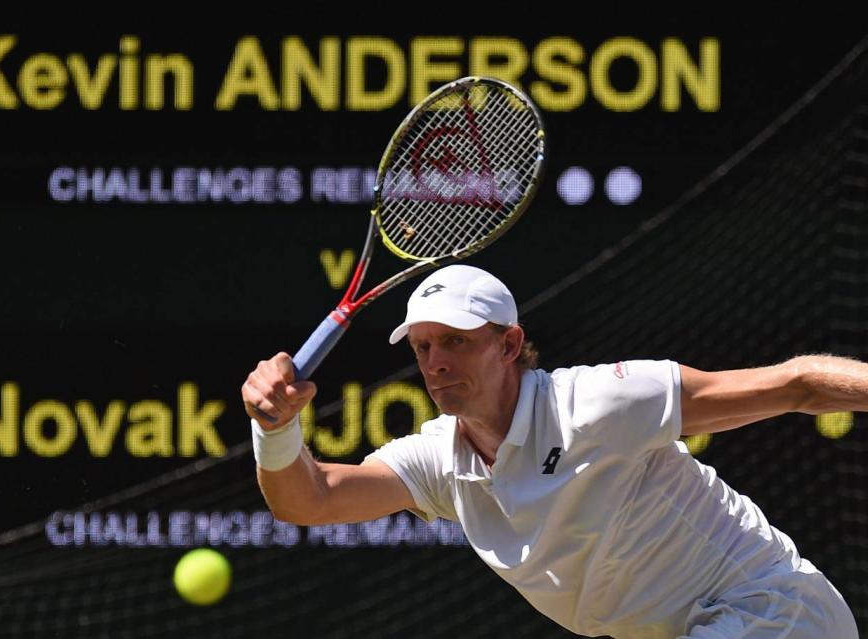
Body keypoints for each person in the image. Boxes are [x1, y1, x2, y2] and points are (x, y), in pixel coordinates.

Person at [241, 264, 860, 639]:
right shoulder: (440, 461)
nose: (436, 364)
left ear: (510, 345)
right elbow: (312, 500)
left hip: (774, 614)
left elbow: (798, 384)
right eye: (423, 347)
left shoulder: (599, 403)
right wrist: (275, 430)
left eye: (455, 341)